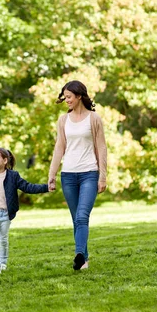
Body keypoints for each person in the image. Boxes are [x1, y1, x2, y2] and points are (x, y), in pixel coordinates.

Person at [47, 80, 107, 271]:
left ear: (79, 96)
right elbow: (59, 148)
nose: (67, 100)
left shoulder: (94, 119)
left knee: (82, 216)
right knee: (77, 219)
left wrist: (102, 176)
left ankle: (79, 254)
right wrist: (52, 174)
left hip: (89, 172)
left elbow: (101, 147)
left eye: (70, 97)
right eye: (65, 97)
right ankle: (84, 259)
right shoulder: (63, 120)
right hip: (68, 176)